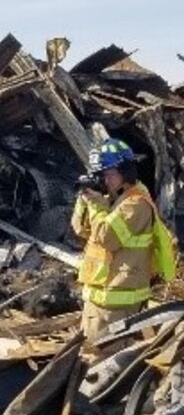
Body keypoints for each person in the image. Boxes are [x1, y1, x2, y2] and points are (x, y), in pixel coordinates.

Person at [71, 139, 155, 342]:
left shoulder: (136, 203)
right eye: (101, 175)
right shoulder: (113, 199)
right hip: (100, 295)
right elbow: (81, 230)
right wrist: (84, 201)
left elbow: (107, 238)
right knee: (89, 350)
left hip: (118, 300)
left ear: (125, 171)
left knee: (103, 354)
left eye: (109, 174)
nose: (105, 180)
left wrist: (97, 207)